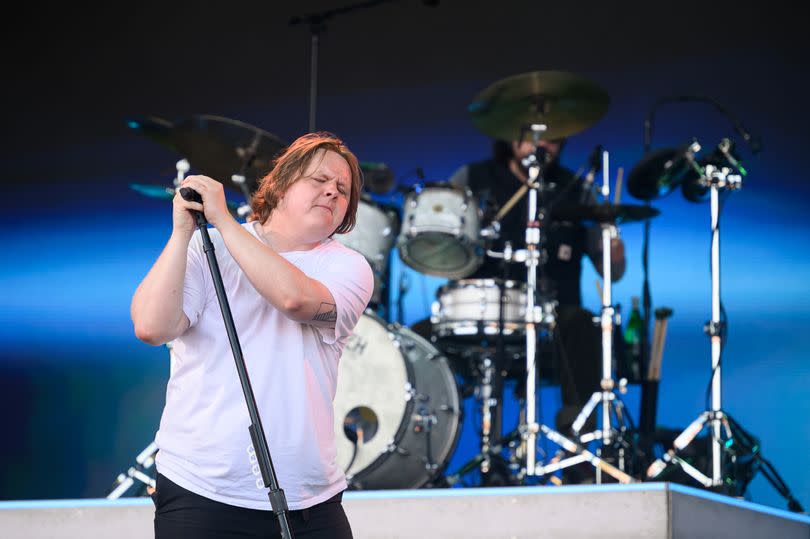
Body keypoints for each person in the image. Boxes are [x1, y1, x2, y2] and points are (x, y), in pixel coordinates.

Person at [131, 132, 374, 538]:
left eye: (343, 190)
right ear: (279, 184)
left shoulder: (347, 267)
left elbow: (294, 299)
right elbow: (152, 327)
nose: (332, 191)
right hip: (200, 487)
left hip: (307, 497)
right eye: (319, 180)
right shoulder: (205, 248)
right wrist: (181, 234)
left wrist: (224, 221)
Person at [414, 135, 626, 483]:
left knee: (583, 326)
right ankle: (421, 456)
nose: (544, 145)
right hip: (478, 310)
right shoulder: (473, 178)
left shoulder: (575, 189)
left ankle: (579, 451)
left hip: (551, 316)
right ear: (509, 137)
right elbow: (441, 249)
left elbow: (613, 271)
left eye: (554, 139)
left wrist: (614, 252)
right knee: (418, 341)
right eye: (531, 135)